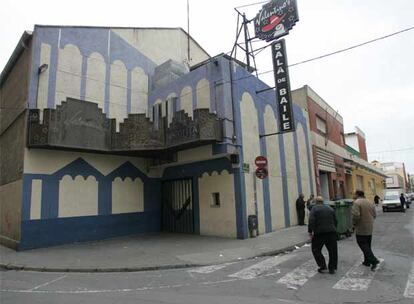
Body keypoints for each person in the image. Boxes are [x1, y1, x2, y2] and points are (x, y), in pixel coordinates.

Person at [308, 196, 338, 274]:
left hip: (319, 233)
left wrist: (310, 231)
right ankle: (332, 268)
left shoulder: (314, 209)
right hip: (331, 232)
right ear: (323, 201)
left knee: (316, 249)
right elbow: (335, 220)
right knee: (333, 251)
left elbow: (311, 220)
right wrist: (334, 228)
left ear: (316, 202)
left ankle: (322, 265)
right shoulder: (330, 208)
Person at [352, 190, 380, 270]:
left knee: (362, 244)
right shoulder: (369, 202)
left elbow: (356, 215)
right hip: (369, 226)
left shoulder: (357, 202)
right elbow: (374, 214)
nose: (353, 195)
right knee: (367, 244)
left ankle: (373, 260)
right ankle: (366, 261)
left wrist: (354, 224)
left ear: (357, 194)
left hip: (361, 227)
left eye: (354, 194)